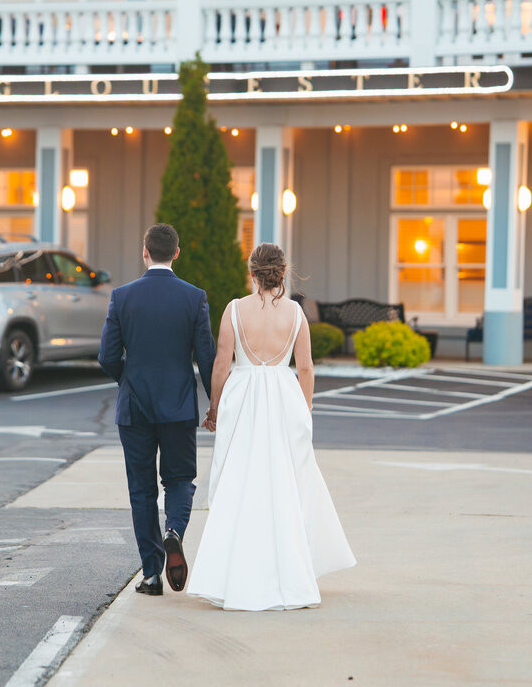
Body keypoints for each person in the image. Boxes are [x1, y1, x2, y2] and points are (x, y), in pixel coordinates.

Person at [187, 242, 356, 611]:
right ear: (283, 272)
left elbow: (221, 364)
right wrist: (305, 409)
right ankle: (288, 575)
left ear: (252, 272)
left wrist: (213, 408)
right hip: (283, 395)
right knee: (284, 485)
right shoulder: (295, 313)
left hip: (243, 396)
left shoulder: (234, 309)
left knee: (241, 481)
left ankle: (232, 575)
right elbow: (306, 368)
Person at [99, 223, 216, 596]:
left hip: (134, 406)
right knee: (180, 479)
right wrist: (214, 402)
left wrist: (127, 380)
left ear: (144, 251)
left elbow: (106, 356)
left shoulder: (122, 296)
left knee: (141, 489)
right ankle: (174, 531)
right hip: (179, 404)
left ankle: (151, 574)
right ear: (176, 253)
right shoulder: (194, 297)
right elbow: (208, 358)